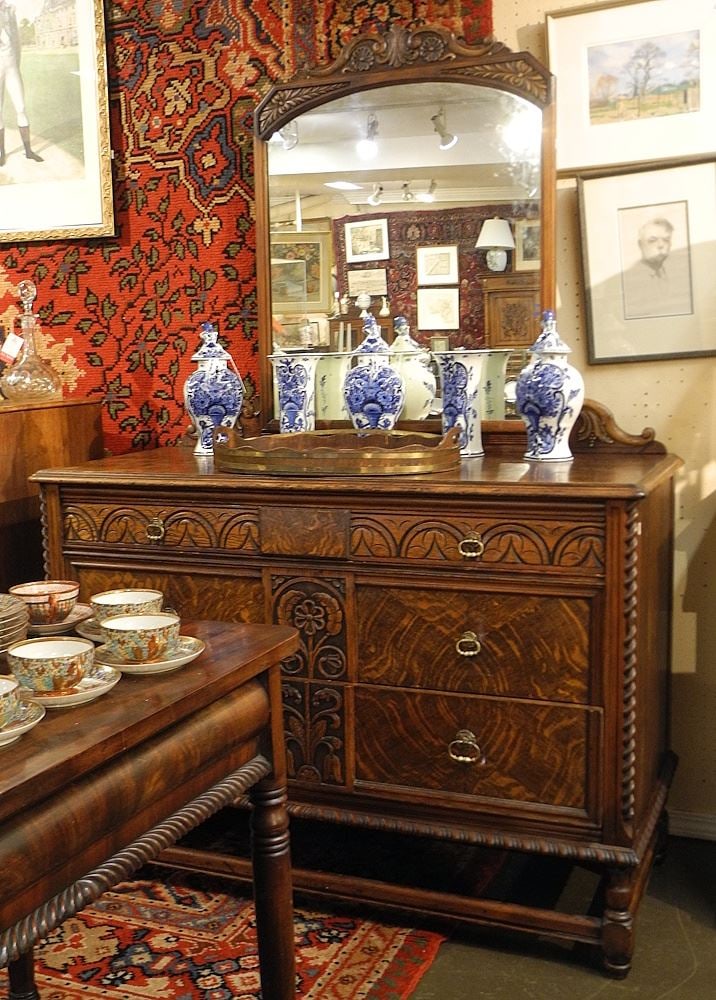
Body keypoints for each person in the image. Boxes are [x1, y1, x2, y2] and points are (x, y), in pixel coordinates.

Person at [621, 216, 692, 319]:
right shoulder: (628, 281)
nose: (661, 245)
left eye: (666, 240)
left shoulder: (681, 277)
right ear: (640, 244)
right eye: (652, 240)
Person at [0, 0, 43, 165]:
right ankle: (1, 153)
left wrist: (17, 64)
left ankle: (28, 150)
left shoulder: (10, 10)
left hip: (11, 67)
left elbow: (16, 40)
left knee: (21, 108)